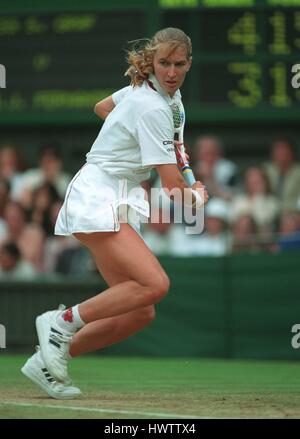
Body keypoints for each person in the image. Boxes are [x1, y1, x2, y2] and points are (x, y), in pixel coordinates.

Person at [21, 27, 208, 399]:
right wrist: (198, 197)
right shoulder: (153, 106)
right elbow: (172, 187)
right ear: (152, 62)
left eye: (179, 64)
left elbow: (102, 108)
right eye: (164, 63)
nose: (171, 72)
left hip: (117, 195)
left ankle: (47, 358)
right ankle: (60, 323)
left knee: (140, 310)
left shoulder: (160, 96)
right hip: (97, 194)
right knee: (156, 284)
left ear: (189, 64)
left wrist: (126, 140)